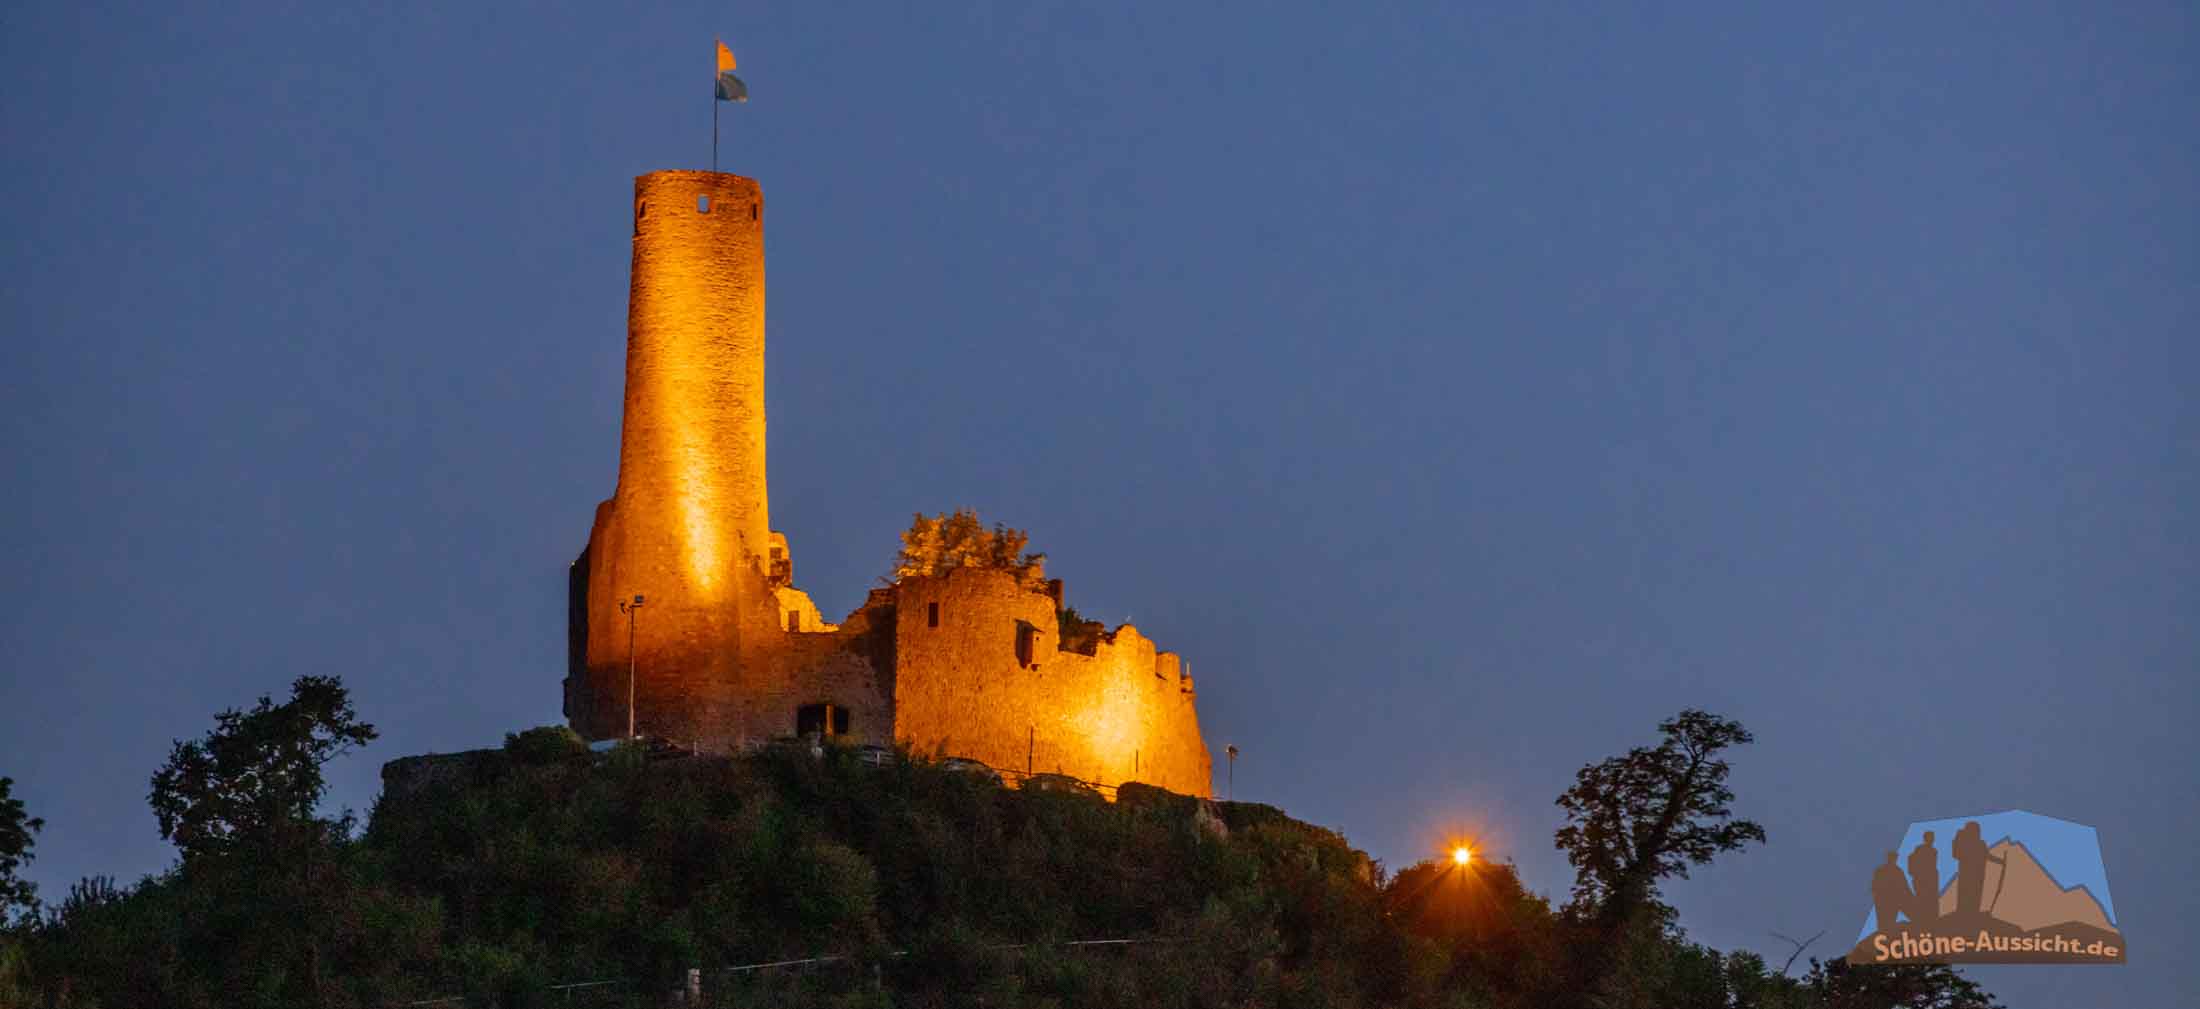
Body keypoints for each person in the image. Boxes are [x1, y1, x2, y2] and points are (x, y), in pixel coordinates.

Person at [1952, 821, 2005, 916]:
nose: (1979, 832)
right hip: (1967, 874)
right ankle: (1964, 913)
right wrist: (1957, 838)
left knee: (1975, 894)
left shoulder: (1980, 843)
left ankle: (1972, 913)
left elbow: (1987, 856)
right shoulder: (1965, 842)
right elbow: (1956, 854)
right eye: (1977, 830)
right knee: (1966, 894)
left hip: (1977, 874)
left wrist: (2000, 861)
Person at [1871, 850, 1914, 934]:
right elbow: (1905, 887)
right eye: (1894, 858)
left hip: (1886, 900)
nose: (1894, 860)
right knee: (1886, 921)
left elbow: (1904, 886)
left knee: (1885, 922)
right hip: (1886, 900)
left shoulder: (1882, 870)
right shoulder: (1896, 871)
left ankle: (1885, 937)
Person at [1906, 831, 1941, 926]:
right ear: (1926, 838)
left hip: (1930, 878)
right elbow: (1911, 860)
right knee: (1923, 899)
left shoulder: (1933, 850)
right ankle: (1923, 920)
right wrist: (1915, 874)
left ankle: (1930, 919)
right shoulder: (1920, 850)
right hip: (1922, 879)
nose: (1932, 839)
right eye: (1931, 837)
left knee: (1930, 899)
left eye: (1932, 837)